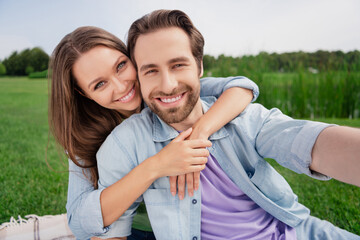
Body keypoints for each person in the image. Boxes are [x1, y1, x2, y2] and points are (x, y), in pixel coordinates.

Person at [96, 9, 360, 239]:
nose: (167, 85)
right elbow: (110, 228)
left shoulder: (244, 118)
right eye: (151, 70)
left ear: (199, 66)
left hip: (298, 231)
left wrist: (199, 134)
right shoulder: (126, 143)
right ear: (139, 77)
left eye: (178, 65)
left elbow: (309, 142)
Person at [48, 26, 259, 239]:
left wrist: (200, 133)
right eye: (100, 84)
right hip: (135, 231)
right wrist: (155, 166)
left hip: (190, 225)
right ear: (83, 93)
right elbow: (79, 221)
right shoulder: (84, 136)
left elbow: (241, 88)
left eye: (121, 66)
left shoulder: (167, 91)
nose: (121, 86)